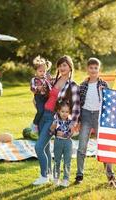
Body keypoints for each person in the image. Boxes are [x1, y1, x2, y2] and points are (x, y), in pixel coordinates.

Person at [33, 55, 80, 185]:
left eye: (64, 65)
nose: (61, 67)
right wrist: (36, 97)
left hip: (53, 119)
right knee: (46, 148)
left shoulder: (73, 86)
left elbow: (76, 106)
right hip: (43, 116)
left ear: (70, 67)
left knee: (39, 147)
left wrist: (73, 123)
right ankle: (47, 175)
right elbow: (43, 90)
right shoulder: (54, 80)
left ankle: (43, 176)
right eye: (60, 65)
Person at [75, 57, 116, 187]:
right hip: (86, 116)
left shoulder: (103, 84)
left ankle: (110, 175)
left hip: (100, 116)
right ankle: (79, 174)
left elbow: (110, 102)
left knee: (105, 145)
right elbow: (78, 104)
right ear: (87, 69)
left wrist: (110, 118)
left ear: (99, 70)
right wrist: (78, 120)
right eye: (91, 68)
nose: (93, 70)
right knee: (82, 146)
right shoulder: (82, 85)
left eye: (96, 68)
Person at [49, 99, 73, 187]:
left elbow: (71, 133)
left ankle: (66, 179)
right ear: (59, 111)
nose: (64, 113)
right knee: (57, 161)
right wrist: (53, 129)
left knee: (67, 161)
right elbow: (50, 132)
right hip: (58, 142)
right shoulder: (56, 121)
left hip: (67, 143)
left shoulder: (70, 121)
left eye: (67, 112)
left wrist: (65, 134)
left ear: (69, 112)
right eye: (62, 111)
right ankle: (56, 178)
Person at [30, 55, 52, 133]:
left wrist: (49, 82)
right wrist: (37, 88)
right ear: (36, 71)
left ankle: (42, 127)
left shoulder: (46, 79)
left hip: (46, 97)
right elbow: (32, 88)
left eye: (44, 71)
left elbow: (51, 87)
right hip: (39, 97)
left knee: (46, 113)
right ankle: (34, 124)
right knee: (40, 111)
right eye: (40, 71)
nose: (42, 73)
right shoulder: (34, 80)